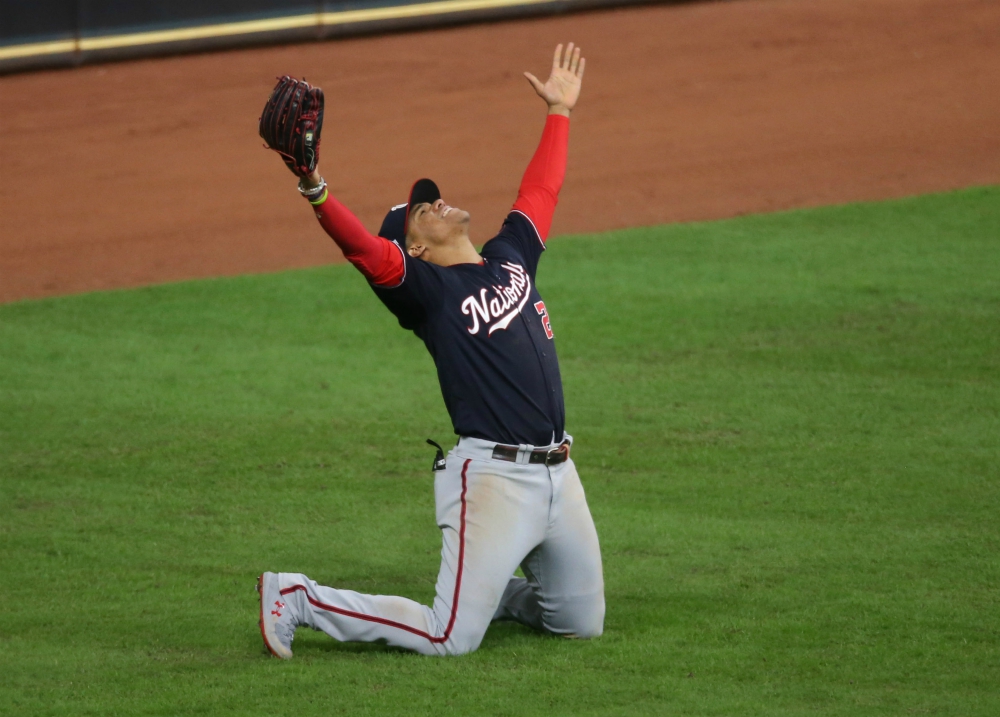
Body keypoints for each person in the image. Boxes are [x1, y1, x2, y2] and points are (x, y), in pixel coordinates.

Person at [258, 43, 604, 657]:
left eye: (432, 198)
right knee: (449, 637)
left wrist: (559, 113)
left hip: (559, 473)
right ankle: (299, 596)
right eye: (423, 209)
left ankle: (487, 588)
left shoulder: (509, 256)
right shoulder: (427, 293)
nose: (437, 202)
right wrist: (315, 187)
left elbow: (541, 191)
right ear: (413, 247)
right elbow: (363, 249)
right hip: (494, 479)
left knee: (580, 622)